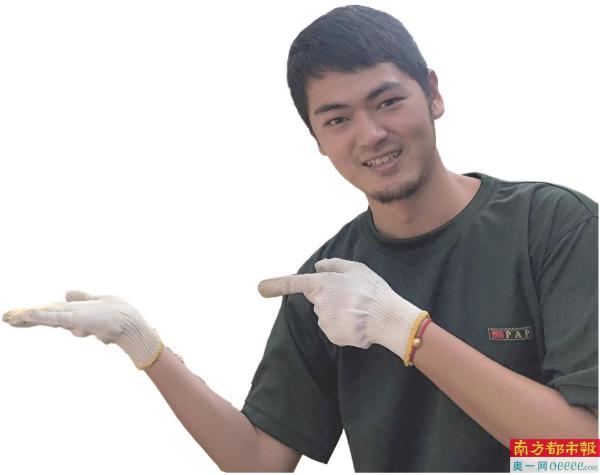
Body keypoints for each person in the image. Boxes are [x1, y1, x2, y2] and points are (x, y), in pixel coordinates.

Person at [3, 4, 598, 472]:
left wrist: (406, 332)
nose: (370, 134)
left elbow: (581, 453)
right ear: (316, 138)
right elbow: (259, 461)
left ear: (433, 94)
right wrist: (143, 344)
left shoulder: (552, 227)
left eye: (388, 101)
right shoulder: (330, 284)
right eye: (337, 119)